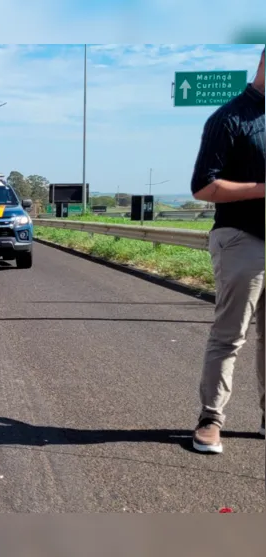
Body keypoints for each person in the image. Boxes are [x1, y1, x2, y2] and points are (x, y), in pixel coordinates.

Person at [190, 47, 265, 454]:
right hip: (242, 239)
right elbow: (203, 186)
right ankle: (210, 419)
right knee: (230, 336)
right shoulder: (228, 118)